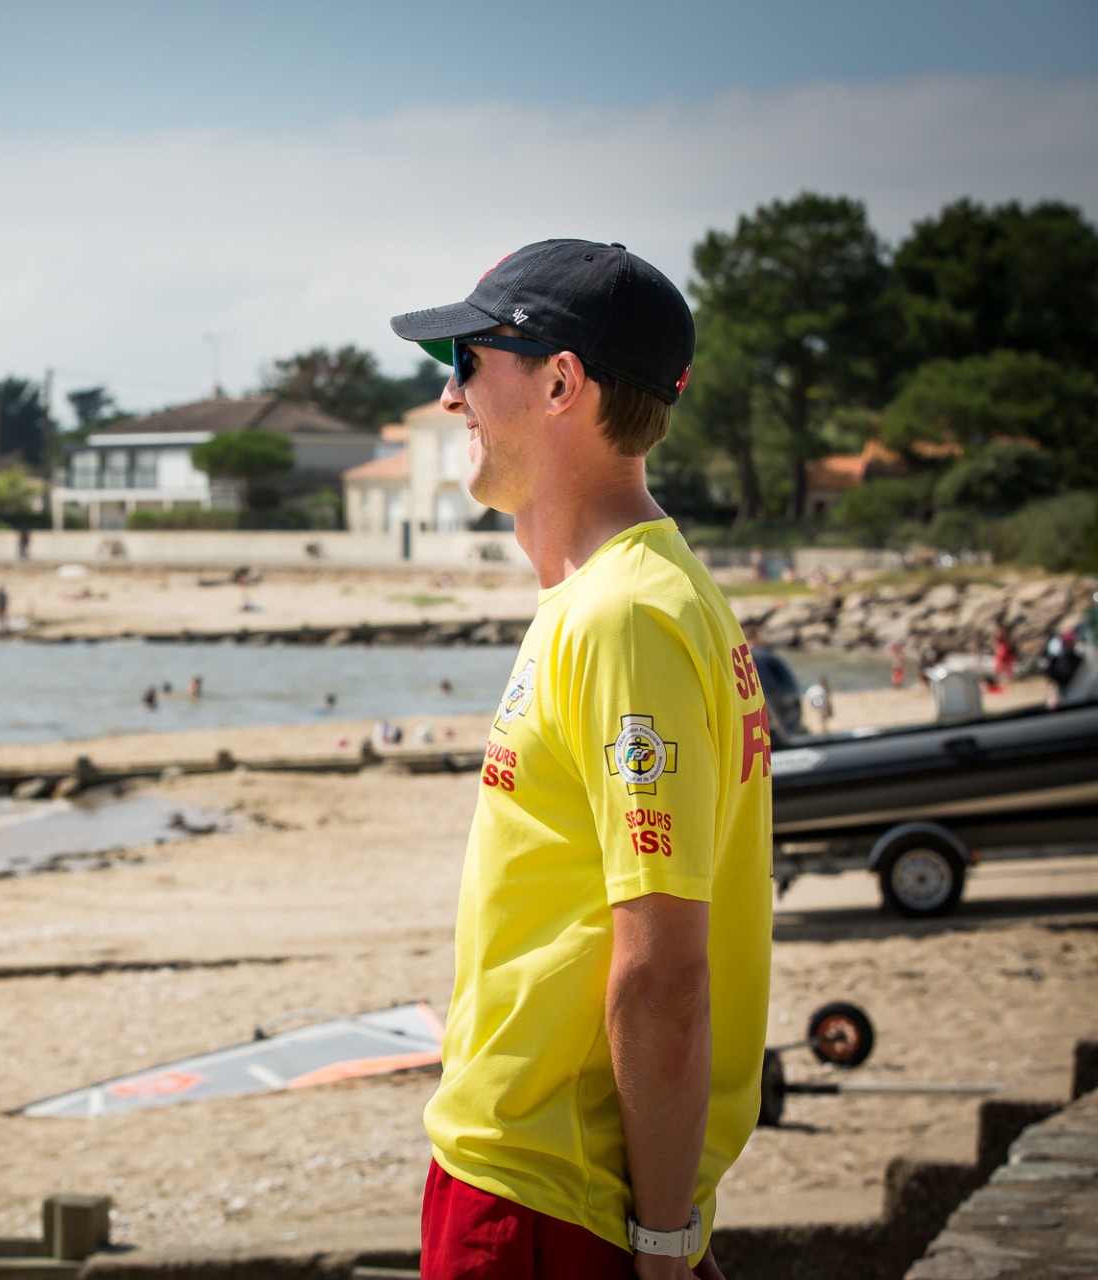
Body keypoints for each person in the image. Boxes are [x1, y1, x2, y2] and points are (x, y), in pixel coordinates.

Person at [390, 240, 772, 1280]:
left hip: (548, 1198)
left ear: (562, 380)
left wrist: (660, 1238)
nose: (449, 394)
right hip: (541, 1183)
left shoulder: (625, 616)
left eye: (468, 360)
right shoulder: (628, 595)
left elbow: (662, 971)